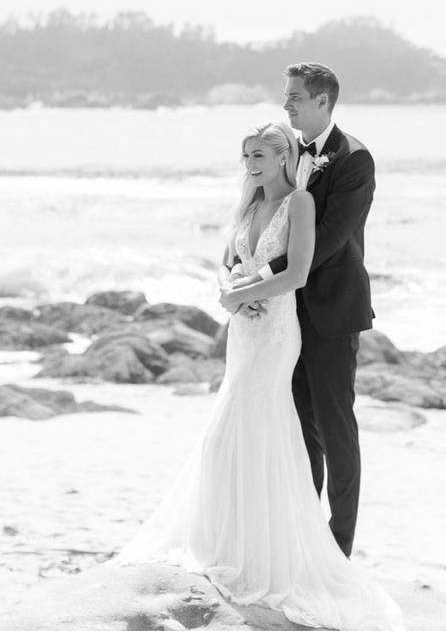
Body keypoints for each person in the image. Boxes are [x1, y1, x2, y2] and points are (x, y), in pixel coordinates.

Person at [112, 119, 403, 631]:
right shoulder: (247, 204)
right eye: (245, 156)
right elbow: (226, 261)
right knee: (235, 427)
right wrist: (229, 290)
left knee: (274, 422)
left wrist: (244, 294)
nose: (250, 165)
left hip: (276, 329)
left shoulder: (305, 200)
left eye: (259, 157)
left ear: (282, 157)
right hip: (243, 331)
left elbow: (300, 268)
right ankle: (233, 537)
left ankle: (308, 547)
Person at [226, 62, 375, 558]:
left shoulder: (354, 159)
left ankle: (340, 545)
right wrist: (243, 281)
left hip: (331, 311)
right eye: (286, 96)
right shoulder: (286, 154)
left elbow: (328, 241)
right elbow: (260, 219)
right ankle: (304, 534)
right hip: (283, 318)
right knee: (298, 428)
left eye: (294, 96)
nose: (286, 103)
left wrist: (257, 282)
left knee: (336, 428)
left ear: (323, 102)